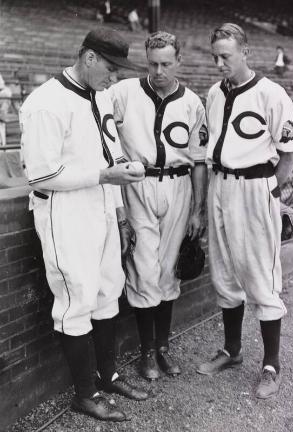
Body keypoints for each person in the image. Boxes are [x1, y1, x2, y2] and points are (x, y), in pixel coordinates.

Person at [19, 27, 149, 422]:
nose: (115, 77)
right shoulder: (45, 102)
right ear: (88, 57)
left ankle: (106, 375)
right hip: (63, 211)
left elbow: (105, 160)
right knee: (76, 300)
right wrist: (104, 177)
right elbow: (41, 175)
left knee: (109, 292)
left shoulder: (100, 95)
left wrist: (118, 209)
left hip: (100, 204)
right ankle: (84, 394)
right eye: (110, 68)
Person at [197, 23, 293, 399]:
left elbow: (289, 151)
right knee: (224, 273)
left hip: (255, 186)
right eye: (215, 56)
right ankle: (232, 350)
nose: (219, 63)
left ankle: (271, 364)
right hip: (220, 184)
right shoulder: (213, 92)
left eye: (225, 56)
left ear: (246, 53)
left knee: (261, 277)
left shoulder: (271, 93)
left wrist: (271, 190)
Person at [108, 31, 208, 380]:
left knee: (167, 269)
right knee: (142, 268)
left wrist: (198, 208)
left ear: (178, 61)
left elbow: (198, 160)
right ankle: (147, 351)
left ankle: (163, 347)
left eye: (166, 63)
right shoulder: (122, 93)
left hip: (178, 184)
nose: (159, 70)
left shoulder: (193, 102)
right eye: (153, 63)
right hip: (138, 182)